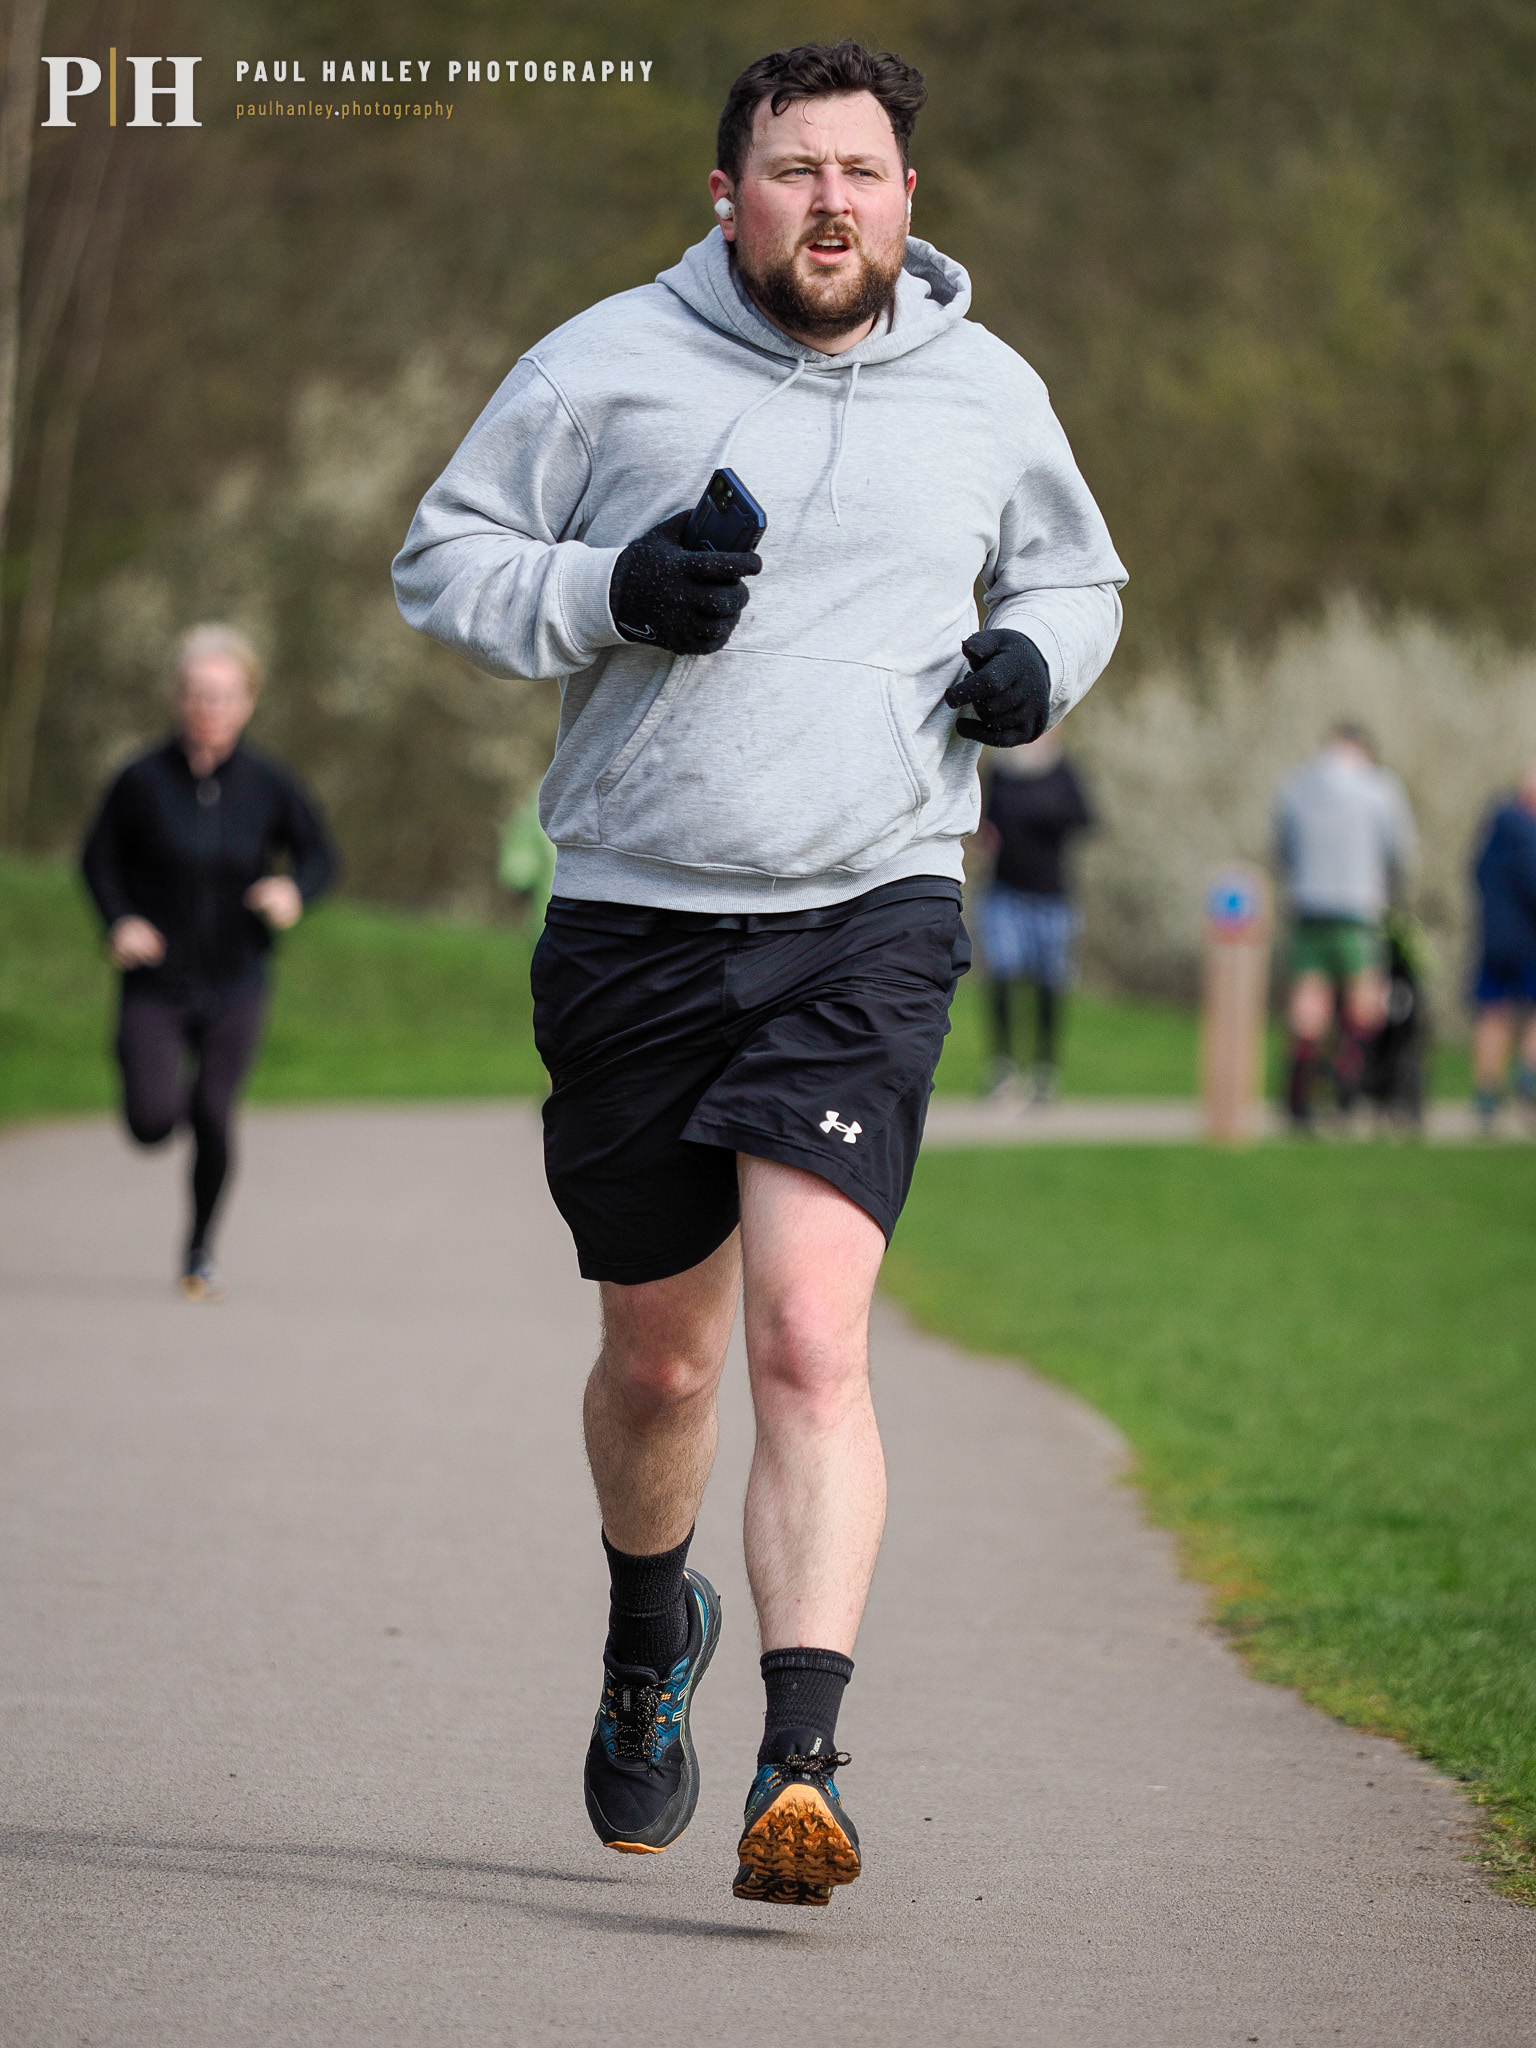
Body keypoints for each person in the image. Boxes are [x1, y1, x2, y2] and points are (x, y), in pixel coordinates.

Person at [394, 38, 1125, 1906]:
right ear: (727, 195)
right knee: (664, 1362)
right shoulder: (600, 362)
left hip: (867, 907)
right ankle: (655, 1632)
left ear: (907, 197)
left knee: (811, 1333)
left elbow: (1075, 575)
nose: (830, 201)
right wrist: (615, 592)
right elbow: (443, 559)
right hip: (638, 912)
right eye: (792, 169)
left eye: (862, 172)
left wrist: (1034, 664)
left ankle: (802, 1762)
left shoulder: (985, 387)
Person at [80, 625, 337, 1298]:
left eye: (223, 696)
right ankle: (151, 1083)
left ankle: (198, 1251)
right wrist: (121, 920)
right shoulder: (140, 780)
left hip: (237, 976)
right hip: (156, 978)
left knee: (216, 1113)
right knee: (151, 1123)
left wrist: (292, 890)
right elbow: (97, 859)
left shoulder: (269, 784)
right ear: (176, 697)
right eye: (197, 695)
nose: (209, 708)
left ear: (247, 702)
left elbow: (321, 857)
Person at [1273, 723, 1416, 1129]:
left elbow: (1282, 844)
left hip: (1309, 906)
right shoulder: (1379, 788)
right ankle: (1347, 1081)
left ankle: (1299, 1093)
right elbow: (1399, 851)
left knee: (1308, 1002)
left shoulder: (1296, 785)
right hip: (1357, 910)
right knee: (1362, 1001)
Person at [973, 729, 1093, 1101]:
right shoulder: (1000, 774)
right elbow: (983, 821)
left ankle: (1044, 1069)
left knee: (1049, 984)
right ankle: (1003, 1068)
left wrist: (1039, 816)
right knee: (1003, 976)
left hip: (1051, 898)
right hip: (1004, 894)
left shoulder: (1063, 772)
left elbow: (1085, 820)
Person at [1469, 760, 1536, 1133]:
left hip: (1493, 939)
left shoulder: (1492, 830)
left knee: (1492, 1014)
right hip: (1528, 940)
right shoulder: (1527, 832)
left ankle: (1487, 1094)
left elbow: (1476, 875)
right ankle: (1529, 1079)